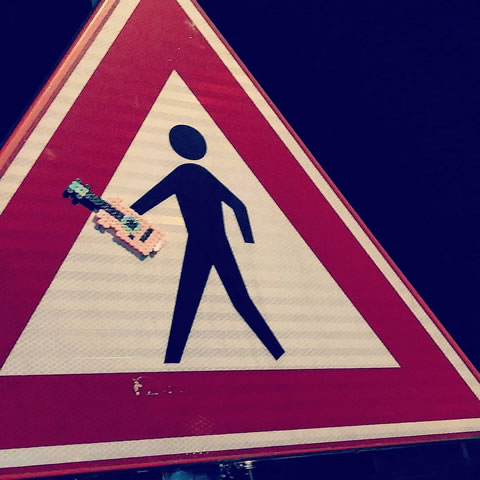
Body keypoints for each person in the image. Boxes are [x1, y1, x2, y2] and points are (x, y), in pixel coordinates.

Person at [131, 124, 285, 363]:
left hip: (199, 244)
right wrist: (247, 240)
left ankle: (171, 361)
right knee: (239, 299)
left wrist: (125, 214)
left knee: (188, 302)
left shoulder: (182, 173)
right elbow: (239, 206)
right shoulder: (204, 175)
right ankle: (277, 352)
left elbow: (148, 201)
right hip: (220, 243)